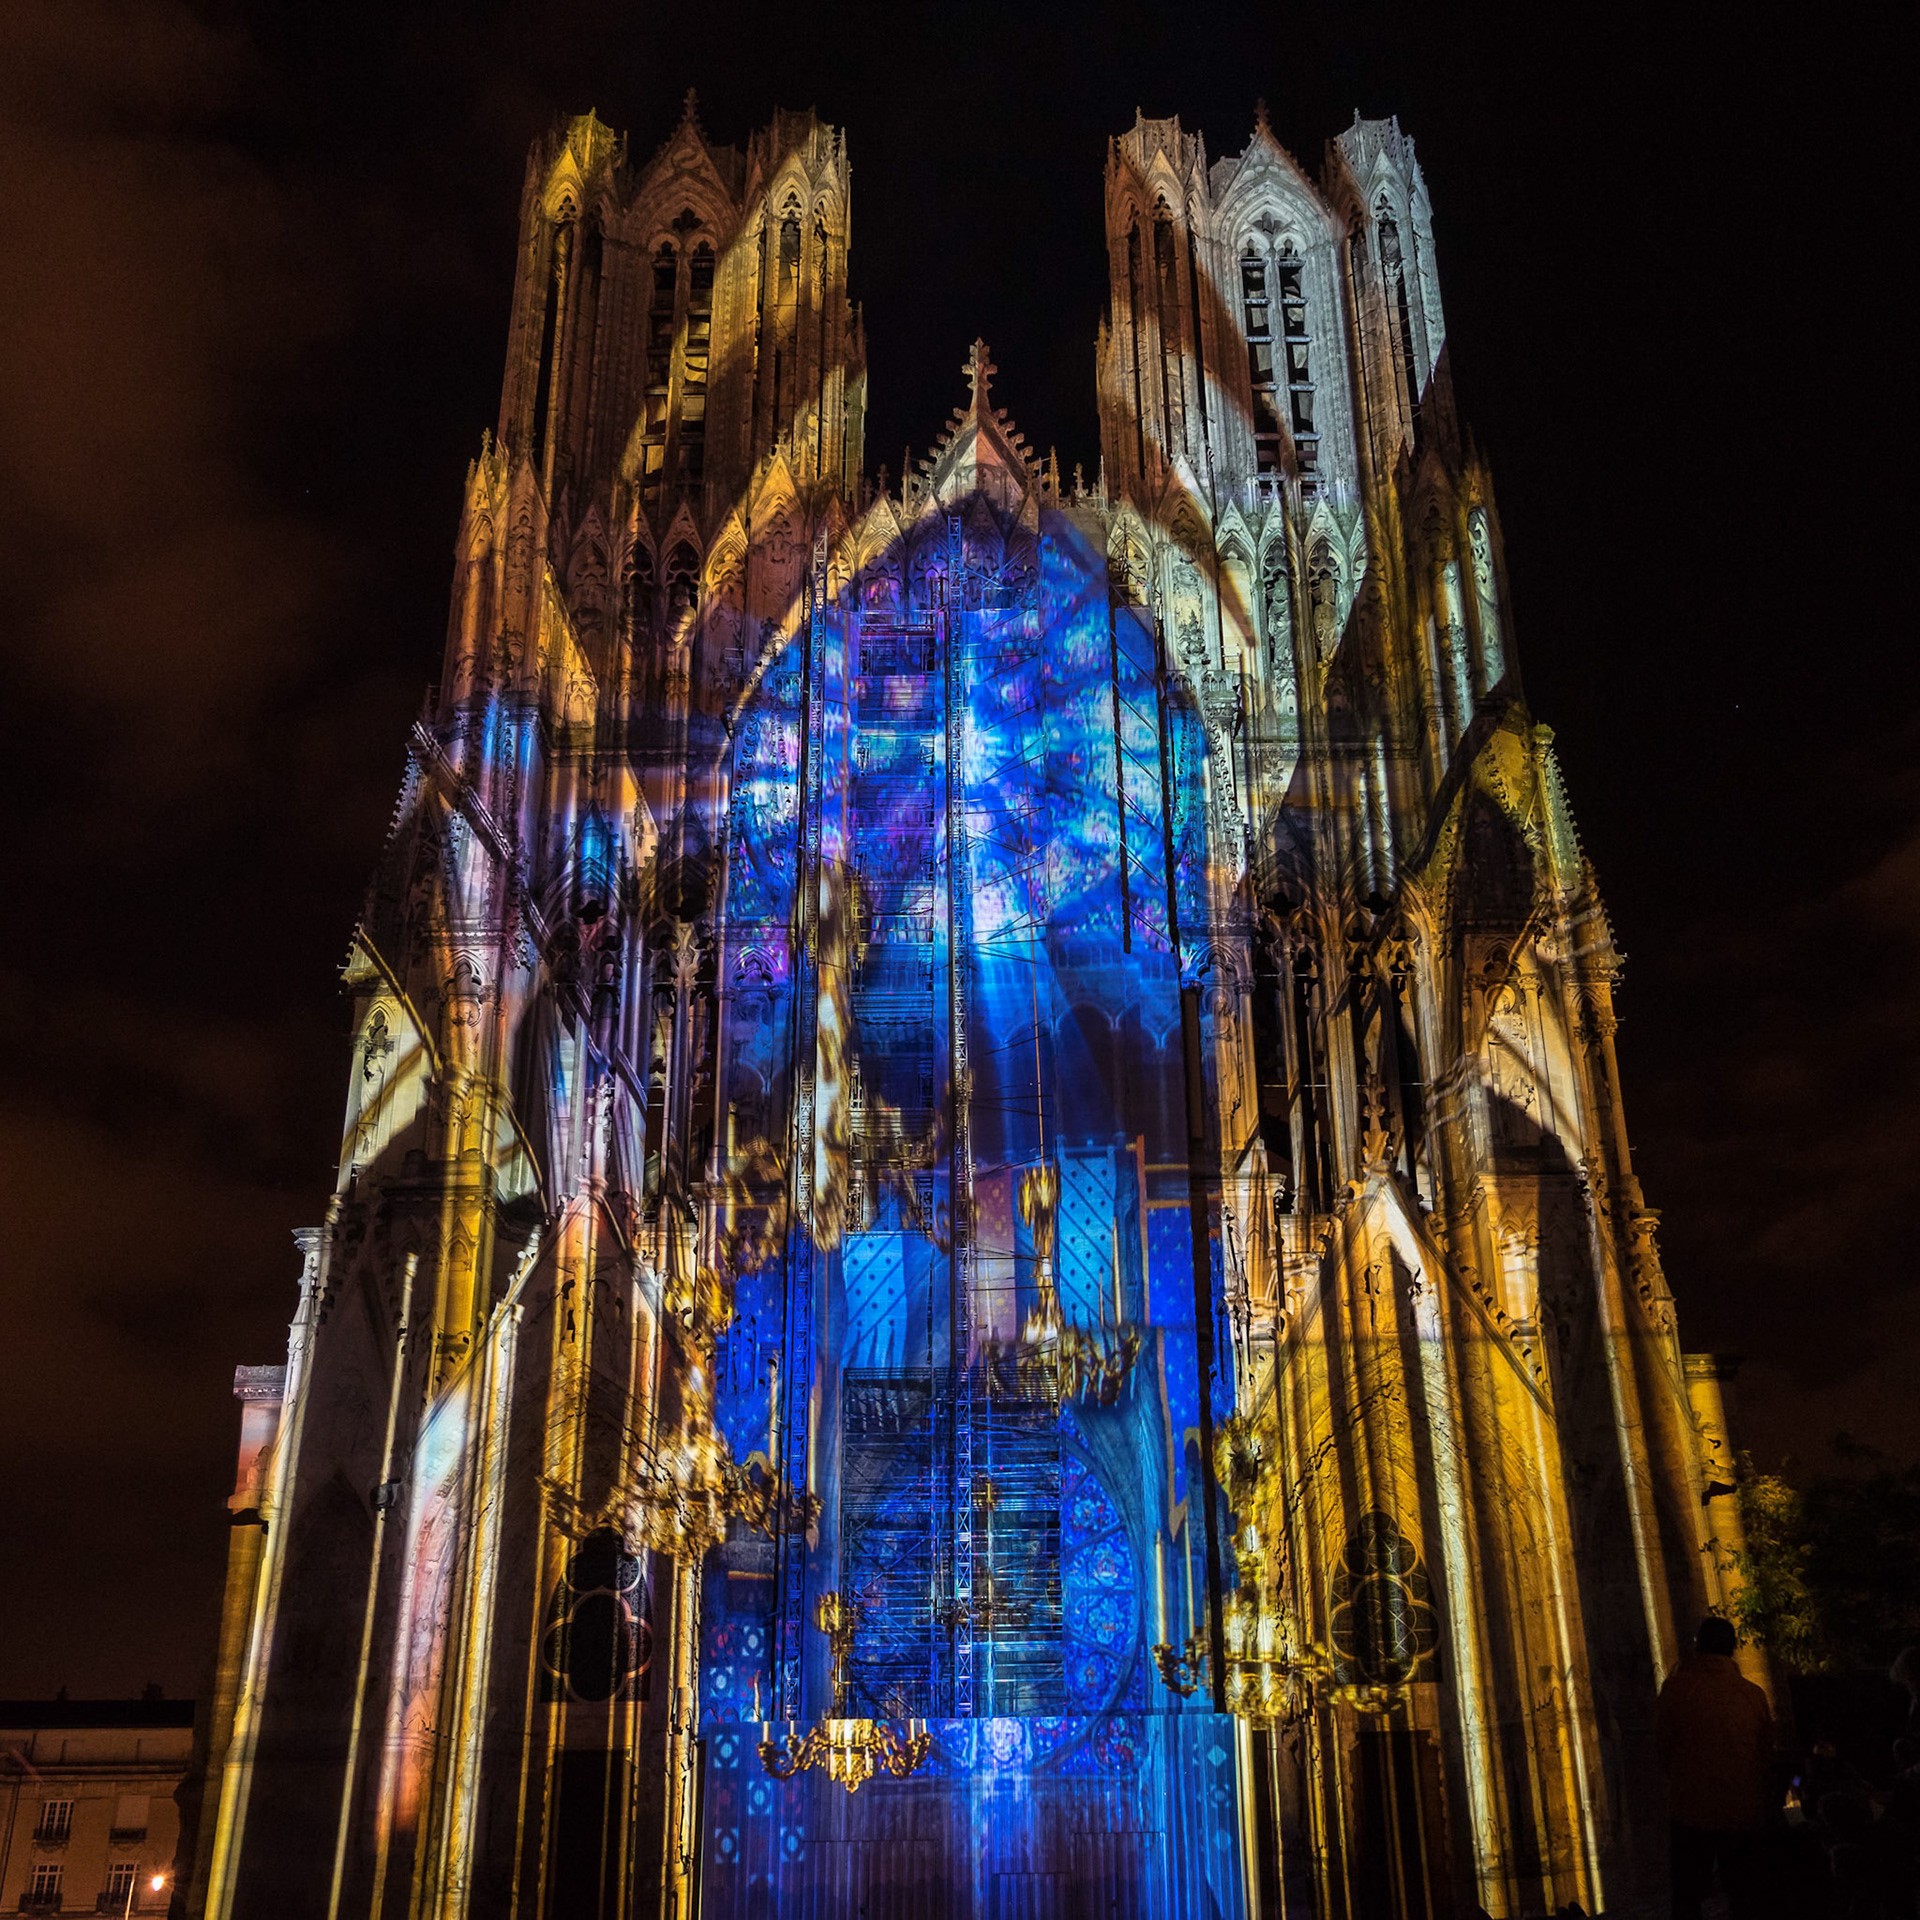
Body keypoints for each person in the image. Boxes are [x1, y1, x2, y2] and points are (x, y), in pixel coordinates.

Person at [1656, 1615, 1775, 1917]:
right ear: (1733, 1649)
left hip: (1691, 1809)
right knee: (1743, 1893)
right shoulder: (1753, 1695)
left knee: (1687, 1895)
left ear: (1698, 1646)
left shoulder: (1676, 1690)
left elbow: (1660, 1748)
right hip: (1742, 1809)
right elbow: (1765, 1754)